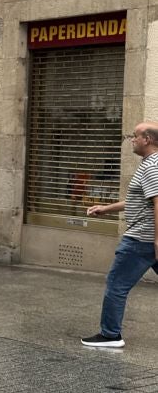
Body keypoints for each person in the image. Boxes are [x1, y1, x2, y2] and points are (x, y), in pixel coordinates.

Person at [81, 122, 158, 348]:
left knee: (116, 285)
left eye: (134, 136)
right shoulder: (150, 164)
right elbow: (138, 199)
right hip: (148, 238)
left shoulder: (153, 166)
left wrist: (156, 239)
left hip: (141, 240)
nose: (131, 140)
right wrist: (106, 208)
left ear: (148, 140)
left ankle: (110, 335)